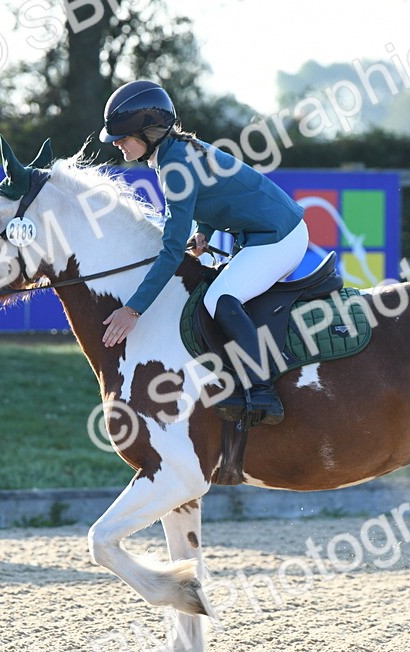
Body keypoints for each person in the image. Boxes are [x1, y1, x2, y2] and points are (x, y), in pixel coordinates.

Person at [98, 80, 308, 426]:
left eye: (123, 137)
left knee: (219, 299)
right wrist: (203, 232)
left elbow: (170, 251)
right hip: (267, 233)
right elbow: (211, 198)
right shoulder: (174, 151)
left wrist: (133, 309)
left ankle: (262, 390)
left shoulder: (173, 164)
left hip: (279, 237)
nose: (117, 144)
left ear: (149, 133)